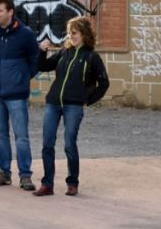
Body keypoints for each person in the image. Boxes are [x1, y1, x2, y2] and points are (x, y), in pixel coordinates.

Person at [36, 16, 110, 197]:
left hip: (73, 106)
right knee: (47, 144)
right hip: (53, 103)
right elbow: (43, 65)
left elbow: (104, 83)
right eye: (70, 33)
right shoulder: (64, 53)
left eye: (75, 33)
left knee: (69, 144)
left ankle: (72, 183)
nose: (71, 36)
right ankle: (47, 184)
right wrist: (41, 51)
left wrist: (88, 99)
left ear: (84, 34)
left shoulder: (92, 57)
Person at [0, 0, 43, 191]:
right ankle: (3, 172)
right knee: (0, 136)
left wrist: (22, 78)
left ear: (10, 12)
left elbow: (35, 61)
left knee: (21, 136)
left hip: (17, 95)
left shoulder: (25, 34)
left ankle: (25, 175)